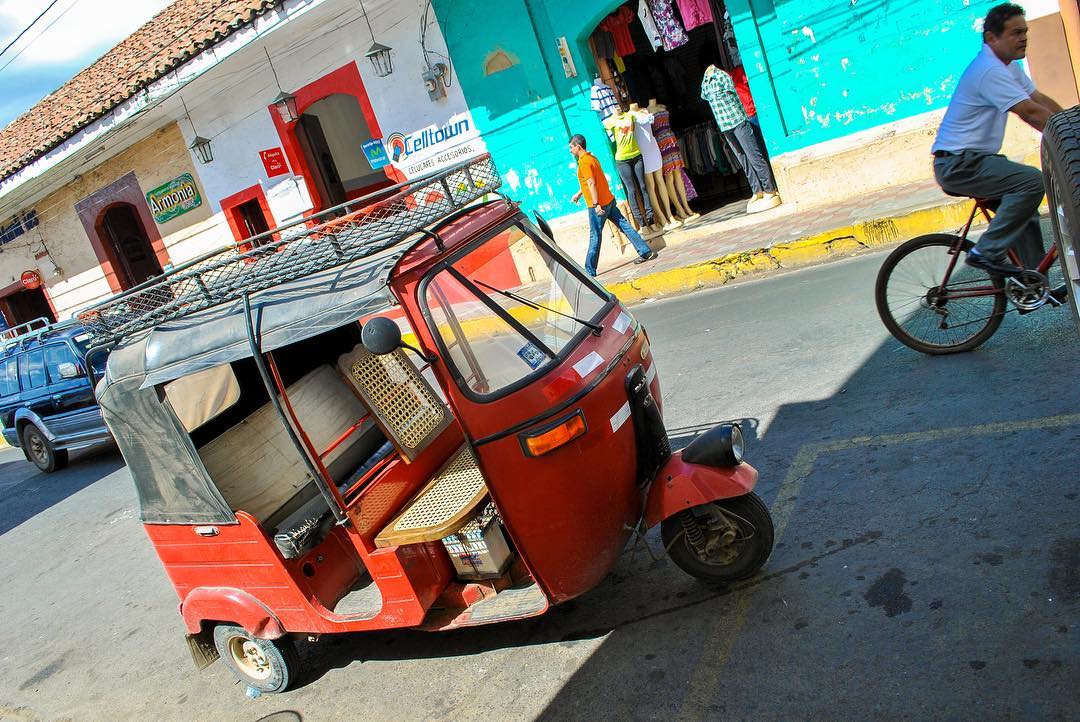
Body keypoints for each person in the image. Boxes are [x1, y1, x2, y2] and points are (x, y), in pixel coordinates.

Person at [931, 2, 1064, 279]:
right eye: (1015, 33)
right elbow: (1028, 112)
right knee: (1032, 182)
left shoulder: (1008, 66)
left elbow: (1037, 99)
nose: (1024, 37)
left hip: (976, 161)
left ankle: (1031, 280)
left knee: (1022, 208)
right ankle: (986, 251)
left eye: (1025, 31)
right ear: (992, 38)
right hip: (960, 165)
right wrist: (1066, 142)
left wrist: (1070, 124)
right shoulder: (988, 70)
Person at [569, 134, 658, 276]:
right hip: (609, 201)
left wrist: (596, 204)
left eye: (571, 147)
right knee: (624, 225)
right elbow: (592, 180)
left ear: (578, 147)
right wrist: (579, 194)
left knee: (595, 236)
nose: (570, 150)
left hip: (598, 205)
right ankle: (645, 251)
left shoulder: (584, 163)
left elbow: (591, 183)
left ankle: (589, 271)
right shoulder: (592, 158)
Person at [700, 63, 781, 213]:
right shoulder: (705, 82)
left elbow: (733, 92)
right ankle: (757, 190)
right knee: (742, 159)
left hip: (738, 121)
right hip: (725, 126)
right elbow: (704, 96)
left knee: (753, 155)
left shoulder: (722, 76)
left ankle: (770, 189)